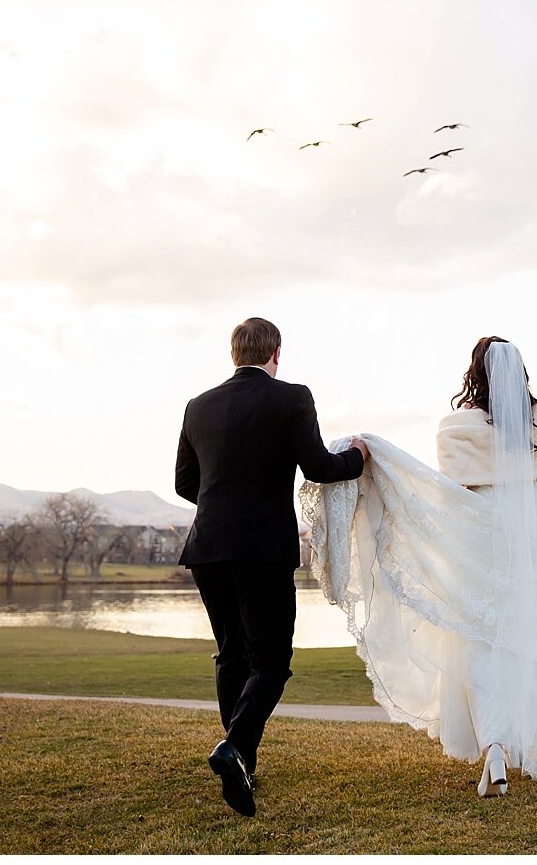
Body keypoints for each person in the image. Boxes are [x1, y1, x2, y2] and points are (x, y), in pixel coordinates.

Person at [302, 336, 537, 797]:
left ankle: (493, 749)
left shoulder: (457, 427)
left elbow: (454, 492)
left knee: (477, 637)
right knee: (519, 636)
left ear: (474, 373)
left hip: (479, 532)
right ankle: (515, 744)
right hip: (529, 529)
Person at [175, 317, 367, 817]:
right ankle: (234, 749)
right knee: (273, 662)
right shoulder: (292, 397)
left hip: (208, 547)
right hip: (262, 547)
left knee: (231, 657)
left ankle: (243, 763)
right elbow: (320, 468)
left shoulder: (198, 406)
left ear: (233, 354)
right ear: (276, 353)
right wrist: (359, 459)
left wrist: (223, 500)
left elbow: (183, 483)